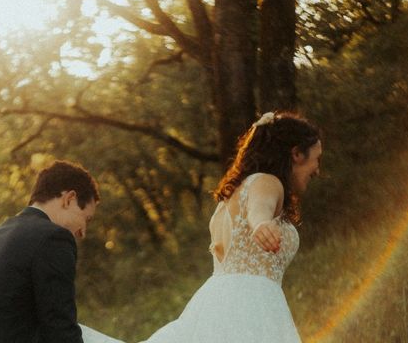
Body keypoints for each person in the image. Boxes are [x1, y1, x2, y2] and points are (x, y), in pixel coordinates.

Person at [81, 111, 322, 343]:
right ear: (296, 154)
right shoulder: (267, 182)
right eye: (316, 159)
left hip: (217, 302)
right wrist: (260, 224)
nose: (318, 170)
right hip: (249, 305)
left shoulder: (227, 202)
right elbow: (260, 208)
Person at [0, 160, 100, 343]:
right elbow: (60, 330)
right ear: (69, 199)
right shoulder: (54, 238)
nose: (83, 232)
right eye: (86, 219)